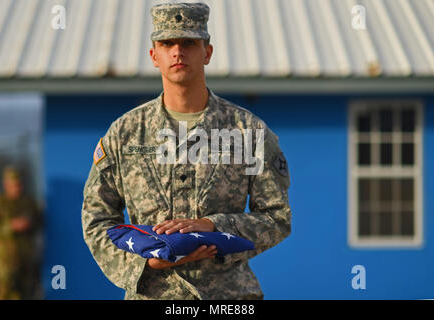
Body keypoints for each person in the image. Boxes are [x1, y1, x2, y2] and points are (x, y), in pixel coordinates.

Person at [82, 2, 291, 300]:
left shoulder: (248, 132)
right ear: (154, 55)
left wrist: (213, 227)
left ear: (207, 52)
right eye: (167, 43)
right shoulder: (125, 133)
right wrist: (143, 262)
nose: (178, 52)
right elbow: (97, 218)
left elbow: (277, 216)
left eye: (189, 43)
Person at [0, 166, 42, 299]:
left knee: (27, 293)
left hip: (26, 259)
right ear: (6, 184)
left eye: (19, 184)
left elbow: (39, 223)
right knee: (3, 294)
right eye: (14, 184)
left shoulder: (28, 202)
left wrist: (29, 224)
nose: (17, 188)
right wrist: (10, 226)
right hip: (5, 262)